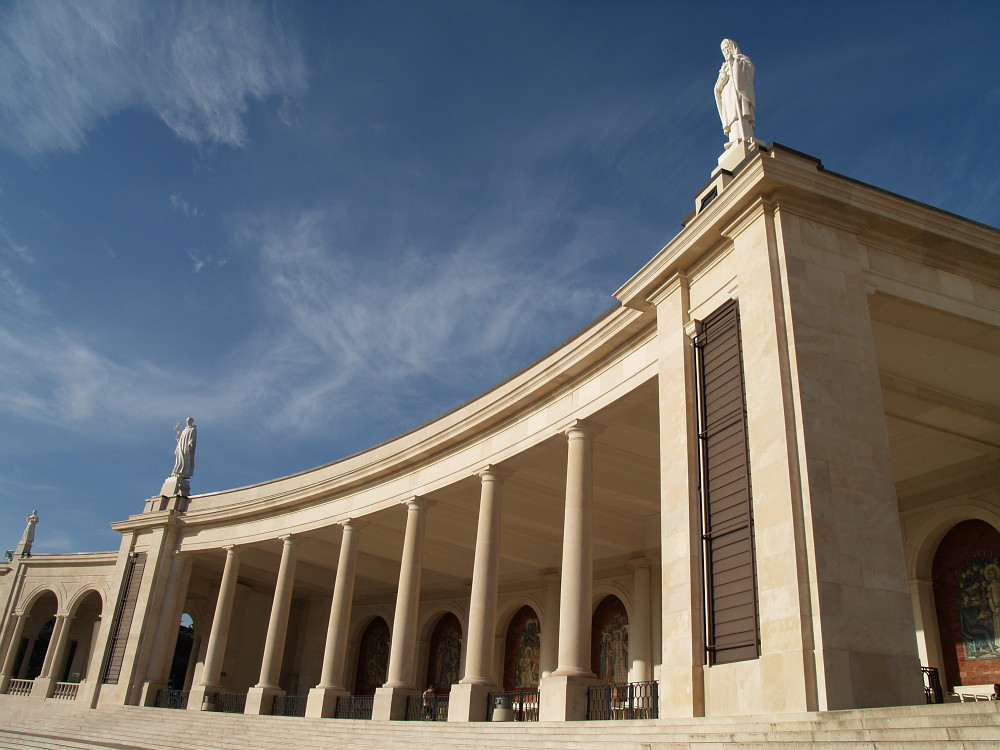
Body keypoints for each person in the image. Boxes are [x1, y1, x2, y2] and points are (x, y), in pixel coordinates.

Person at [714, 39, 755, 147]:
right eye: (723, 50)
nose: (726, 52)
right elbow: (717, 88)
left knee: (739, 114)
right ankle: (734, 139)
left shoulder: (740, 60)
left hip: (738, 94)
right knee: (732, 117)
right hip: (727, 96)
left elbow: (749, 69)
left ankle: (744, 136)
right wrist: (721, 81)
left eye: (727, 48)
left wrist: (734, 63)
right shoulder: (724, 67)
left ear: (732, 48)